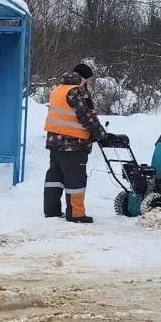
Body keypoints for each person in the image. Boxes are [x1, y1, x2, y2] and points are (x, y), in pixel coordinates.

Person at [43, 63, 121, 224]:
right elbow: (86, 116)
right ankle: (76, 214)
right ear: (84, 78)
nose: (90, 83)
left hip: (54, 142)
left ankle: (51, 211)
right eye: (89, 79)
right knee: (75, 180)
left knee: (55, 177)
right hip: (73, 144)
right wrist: (102, 136)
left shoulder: (58, 89)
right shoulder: (76, 91)